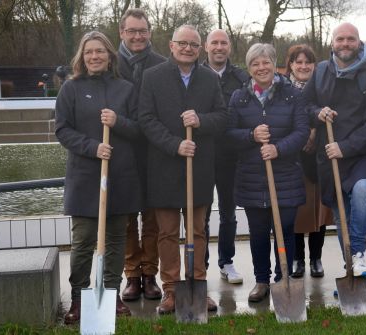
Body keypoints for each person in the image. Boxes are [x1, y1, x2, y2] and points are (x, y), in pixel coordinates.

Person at [138, 24, 227, 314]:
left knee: (198, 231)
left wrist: (201, 121)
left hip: (199, 168)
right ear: (172, 46)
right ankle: (172, 290)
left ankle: (197, 284)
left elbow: (223, 117)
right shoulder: (153, 77)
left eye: (193, 44)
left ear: (200, 49)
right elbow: (146, 119)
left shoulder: (210, 79)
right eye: (182, 43)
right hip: (165, 167)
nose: (188, 48)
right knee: (167, 233)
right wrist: (174, 144)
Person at [56, 31, 141, 324]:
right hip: (85, 178)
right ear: (82, 57)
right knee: (83, 242)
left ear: (109, 56)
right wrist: (93, 147)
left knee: (117, 240)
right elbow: (62, 130)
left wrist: (118, 122)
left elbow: (140, 129)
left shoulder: (125, 89)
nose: (95, 56)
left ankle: (110, 294)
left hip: (120, 176)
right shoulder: (71, 89)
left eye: (100, 51)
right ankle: (79, 298)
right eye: (90, 52)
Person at [302, 22, 366, 277]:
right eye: (340, 39)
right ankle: (351, 267)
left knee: (362, 191)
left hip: (361, 154)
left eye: (351, 39)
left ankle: (358, 254)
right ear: (332, 43)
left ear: (359, 42)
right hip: (329, 154)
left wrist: (346, 147)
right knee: (341, 216)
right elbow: (304, 107)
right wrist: (318, 112)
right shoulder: (320, 72)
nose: (345, 44)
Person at [226, 43, 309, 302]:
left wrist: (278, 148)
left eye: (265, 62)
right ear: (249, 68)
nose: (261, 68)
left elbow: (302, 132)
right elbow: (228, 134)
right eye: (254, 64)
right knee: (258, 232)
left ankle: (283, 278)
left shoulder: (292, 95)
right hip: (251, 178)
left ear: (274, 64)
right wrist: (251, 135)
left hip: (286, 176)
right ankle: (261, 281)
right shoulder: (239, 98)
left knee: (285, 228)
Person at [116, 7, 166, 302]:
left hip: (153, 153)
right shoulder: (110, 65)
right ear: (122, 32)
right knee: (125, 219)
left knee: (152, 219)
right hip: (121, 151)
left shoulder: (161, 64)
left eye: (142, 31)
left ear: (150, 33)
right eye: (132, 31)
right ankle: (131, 275)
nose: (138, 36)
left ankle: (150, 274)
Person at [201, 29, 249, 284]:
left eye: (223, 43)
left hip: (232, 157)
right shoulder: (194, 76)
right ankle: (200, 266)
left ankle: (226, 262)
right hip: (202, 156)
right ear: (205, 47)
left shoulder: (242, 78)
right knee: (202, 213)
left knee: (228, 213)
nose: (219, 47)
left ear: (229, 47)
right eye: (214, 43)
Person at [285, 44, 333, 278]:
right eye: (298, 62)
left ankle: (316, 258)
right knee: (296, 210)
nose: (303, 66)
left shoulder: (322, 87)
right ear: (291, 65)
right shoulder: (282, 88)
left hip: (318, 158)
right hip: (293, 158)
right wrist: (303, 134)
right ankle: (298, 260)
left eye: (308, 62)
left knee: (318, 210)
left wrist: (315, 130)